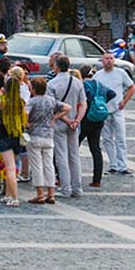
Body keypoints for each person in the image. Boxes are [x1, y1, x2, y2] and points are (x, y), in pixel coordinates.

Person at [48, 52, 86, 199]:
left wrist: (67, 120)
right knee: (74, 156)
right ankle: (77, 188)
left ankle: (65, 188)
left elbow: (54, 107)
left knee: (61, 156)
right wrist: (77, 120)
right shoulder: (77, 82)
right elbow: (83, 103)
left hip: (59, 122)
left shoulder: (52, 84)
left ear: (56, 66)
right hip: (74, 122)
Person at [92, 50, 135, 175]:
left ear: (114, 60)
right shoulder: (98, 76)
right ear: (102, 60)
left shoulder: (121, 73)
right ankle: (113, 164)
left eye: (111, 58)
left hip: (117, 109)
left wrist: (124, 101)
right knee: (107, 139)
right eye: (106, 58)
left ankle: (123, 165)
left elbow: (132, 87)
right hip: (104, 111)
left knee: (120, 137)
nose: (109, 60)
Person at [0, 68, 29, 205]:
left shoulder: (2, 102)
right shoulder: (21, 103)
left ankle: (14, 198)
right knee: (13, 164)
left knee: (10, 168)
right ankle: (8, 195)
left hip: (4, 135)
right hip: (17, 135)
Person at [22, 73, 57, 204]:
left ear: (34, 89)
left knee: (37, 165)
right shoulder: (51, 100)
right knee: (49, 165)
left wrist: (26, 123)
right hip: (49, 135)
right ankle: (51, 193)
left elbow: (25, 112)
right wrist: (55, 118)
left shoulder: (33, 101)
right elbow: (66, 107)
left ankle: (40, 194)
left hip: (35, 135)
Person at [78, 67, 112, 189]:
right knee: (96, 148)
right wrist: (101, 102)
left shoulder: (83, 85)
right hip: (98, 119)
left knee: (74, 147)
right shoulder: (99, 85)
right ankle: (97, 179)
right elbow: (112, 93)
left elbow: (82, 100)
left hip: (86, 119)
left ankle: (69, 176)